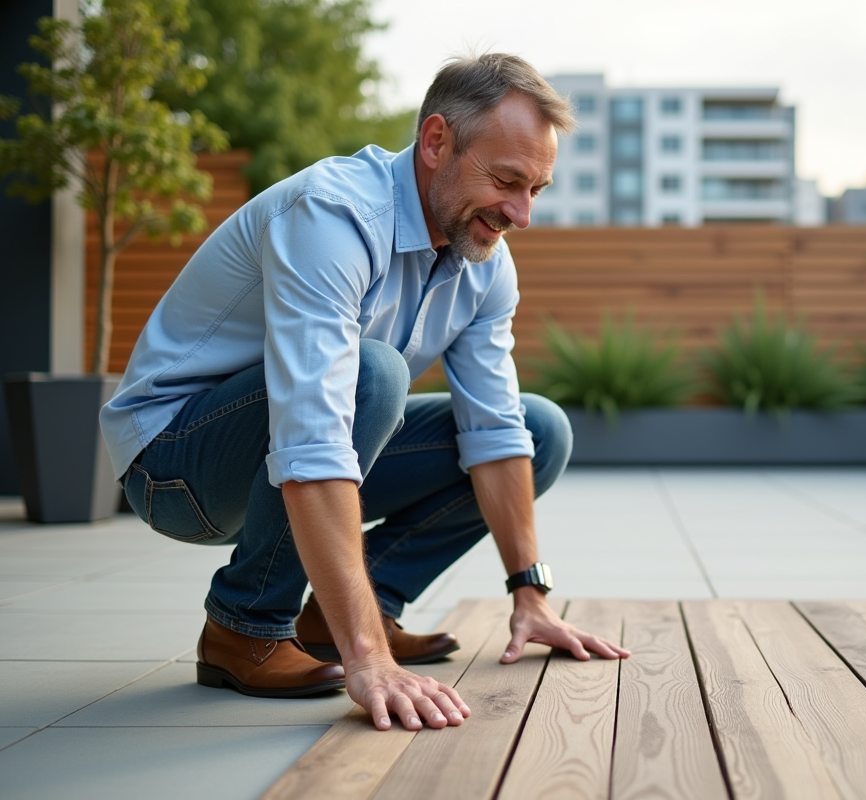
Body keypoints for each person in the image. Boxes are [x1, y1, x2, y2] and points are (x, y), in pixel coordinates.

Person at [100, 53, 630, 733]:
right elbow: (312, 432)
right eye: (507, 181)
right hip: (174, 462)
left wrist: (531, 594)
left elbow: (494, 429)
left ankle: (352, 605)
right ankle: (245, 625)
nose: (521, 214)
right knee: (370, 374)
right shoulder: (333, 214)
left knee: (538, 428)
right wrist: (369, 660)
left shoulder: (482, 260)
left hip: (299, 445)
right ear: (436, 142)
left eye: (537, 189)